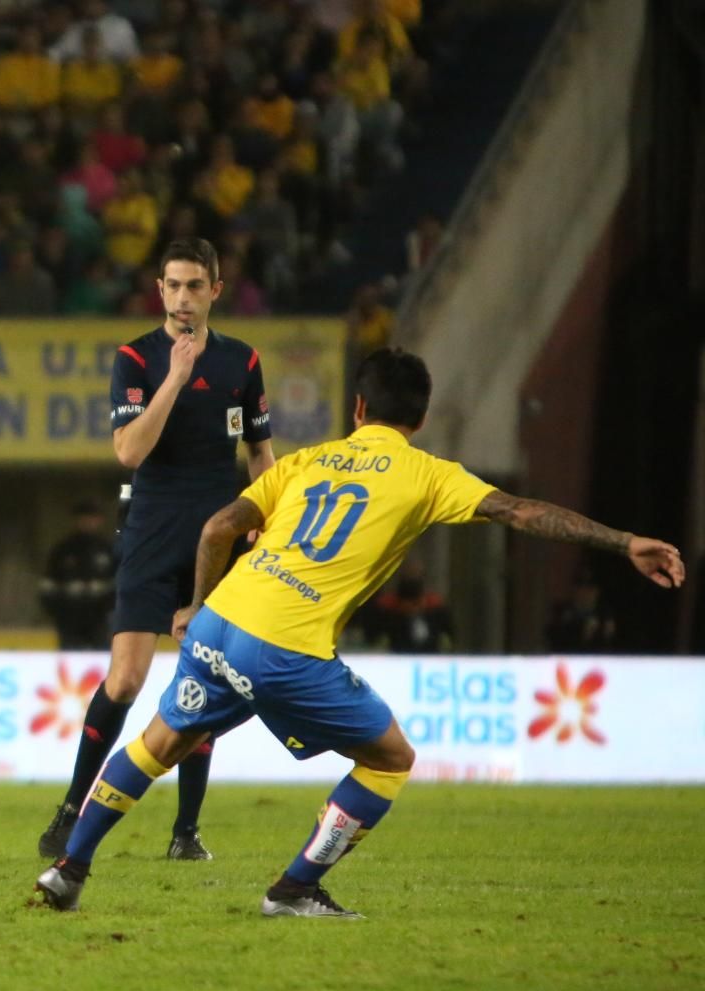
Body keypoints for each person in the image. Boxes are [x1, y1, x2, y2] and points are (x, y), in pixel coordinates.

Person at [33, 348, 685, 917]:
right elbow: (520, 512)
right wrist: (624, 541)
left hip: (220, 622)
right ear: (419, 420)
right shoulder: (429, 474)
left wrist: (195, 608)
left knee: (159, 741)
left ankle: (69, 869)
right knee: (390, 758)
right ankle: (294, 889)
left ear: (358, 408)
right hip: (284, 645)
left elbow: (217, 530)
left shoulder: (307, 461)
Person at [38, 238, 276, 863]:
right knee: (126, 679)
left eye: (195, 286)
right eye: (172, 286)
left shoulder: (242, 362)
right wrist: (175, 376)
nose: (182, 298)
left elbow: (259, 452)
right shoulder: (137, 359)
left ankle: (186, 832)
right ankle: (72, 807)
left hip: (217, 541)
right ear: (159, 290)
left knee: (204, 680)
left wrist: (267, 517)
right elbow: (128, 452)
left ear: (215, 290)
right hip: (150, 534)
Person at [39, 501, 116, 650]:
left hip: (100, 617)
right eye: (83, 518)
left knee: (101, 656)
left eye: (91, 519)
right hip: (70, 616)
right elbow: (49, 585)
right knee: (70, 654)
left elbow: (116, 585)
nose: (87, 523)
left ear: (99, 521)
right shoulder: (63, 550)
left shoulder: (107, 550)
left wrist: (108, 608)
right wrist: (58, 610)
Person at [544, 569, 618, 653]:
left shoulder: (605, 616)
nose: (584, 593)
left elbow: (609, 644)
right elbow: (553, 641)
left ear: (596, 592)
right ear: (574, 590)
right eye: (580, 587)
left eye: (589, 588)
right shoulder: (561, 613)